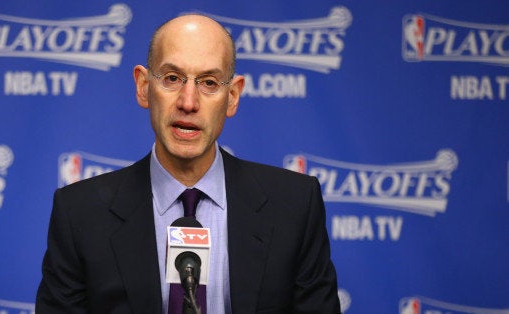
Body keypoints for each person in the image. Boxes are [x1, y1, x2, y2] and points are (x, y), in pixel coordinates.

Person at [36, 14, 340, 313]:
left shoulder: (295, 204)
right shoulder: (80, 214)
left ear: (232, 96)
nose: (188, 102)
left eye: (209, 82)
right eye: (172, 78)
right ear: (143, 86)